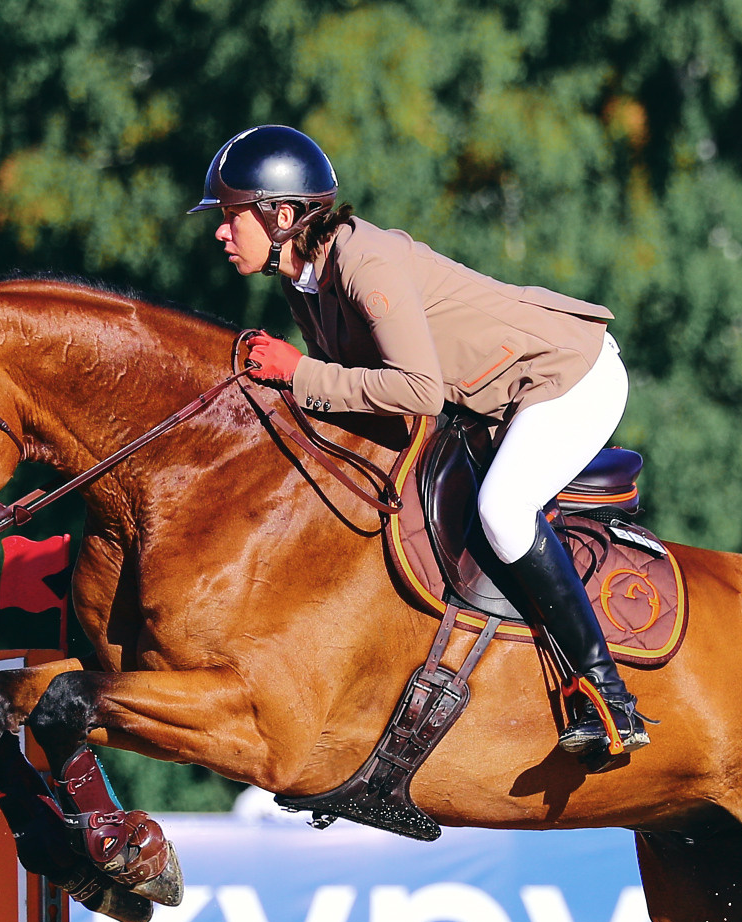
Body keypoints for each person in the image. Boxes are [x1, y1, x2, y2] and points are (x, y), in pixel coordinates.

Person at [192, 125, 649, 767]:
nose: (219, 231)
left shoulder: (363, 262)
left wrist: (297, 374)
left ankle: (607, 698)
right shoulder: (307, 286)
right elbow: (352, 393)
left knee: (502, 511)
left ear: (283, 215)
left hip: (571, 374)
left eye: (231, 215)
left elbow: (418, 390)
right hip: (495, 400)